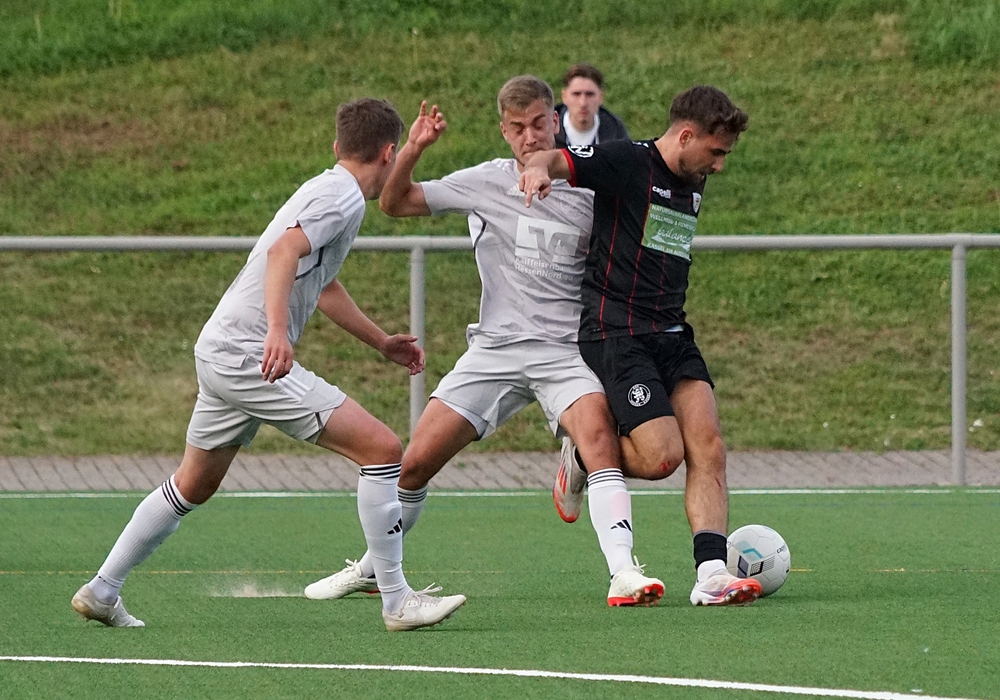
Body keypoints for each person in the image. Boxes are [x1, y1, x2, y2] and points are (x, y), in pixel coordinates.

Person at [70, 98, 466, 632]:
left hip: (221, 352)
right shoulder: (342, 197)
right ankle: (397, 601)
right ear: (388, 153)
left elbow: (321, 283)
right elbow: (283, 253)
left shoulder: (327, 187)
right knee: (382, 450)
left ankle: (103, 589)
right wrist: (277, 332)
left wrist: (380, 343)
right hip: (247, 355)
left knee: (192, 484)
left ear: (338, 146)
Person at [304, 76, 665, 608]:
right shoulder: (486, 181)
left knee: (598, 438)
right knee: (413, 464)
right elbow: (395, 202)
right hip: (494, 351)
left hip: (563, 350)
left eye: (538, 123)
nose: (529, 136)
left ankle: (623, 571)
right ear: (503, 131)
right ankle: (372, 569)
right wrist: (414, 148)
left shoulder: (591, 187)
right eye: (517, 128)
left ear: (556, 121)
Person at [519, 85, 763, 606]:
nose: (720, 165)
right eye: (716, 152)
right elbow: (554, 158)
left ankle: (711, 573)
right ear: (686, 135)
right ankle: (584, 454)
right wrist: (538, 169)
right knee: (662, 457)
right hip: (617, 332)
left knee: (709, 445)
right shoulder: (627, 161)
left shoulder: (694, 177)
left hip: (672, 332)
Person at [554, 64, 630, 149]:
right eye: (576, 94)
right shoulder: (548, 130)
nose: (583, 103)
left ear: (600, 97)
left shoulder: (616, 133)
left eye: (590, 94)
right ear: (564, 96)